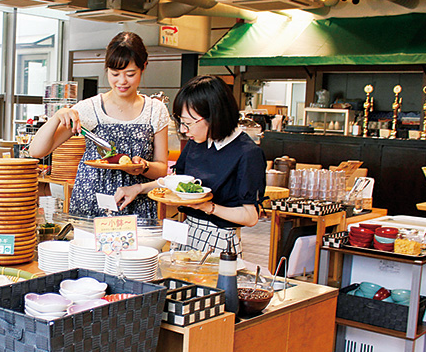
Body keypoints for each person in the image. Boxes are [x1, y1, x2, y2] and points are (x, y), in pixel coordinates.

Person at [115, 75, 266, 254]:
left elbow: (250, 217)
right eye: (181, 122)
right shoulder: (199, 141)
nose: (183, 130)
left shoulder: (247, 153)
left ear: (214, 116)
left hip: (220, 239)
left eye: (187, 123)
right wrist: (138, 188)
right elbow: (178, 181)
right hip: (188, 230)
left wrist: (208, 207)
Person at [28, 32, 169, 218]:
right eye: (115, 74)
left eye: (130, 74)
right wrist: (57, 117)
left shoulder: (155, 110)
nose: (122, 81)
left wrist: (143, 167)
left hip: (137, 203)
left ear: (143, 67)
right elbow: (36, 151)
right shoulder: (89, 108)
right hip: (91, 201)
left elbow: (161, 168)